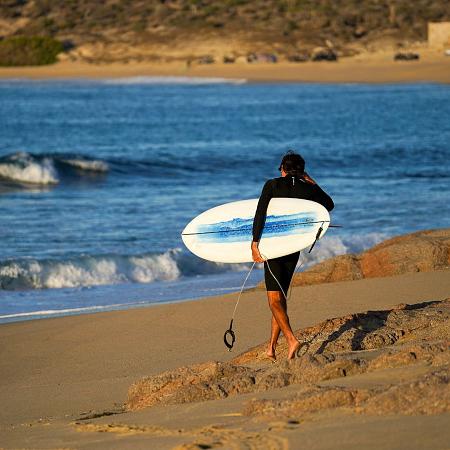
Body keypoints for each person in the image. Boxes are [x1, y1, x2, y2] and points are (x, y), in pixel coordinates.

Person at [251, 151, 334, 360]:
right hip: (293, 248)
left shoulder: (272, 185)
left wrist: (255, 243)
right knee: (280, 298)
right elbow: (329, 205)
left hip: (274, 247)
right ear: (302, 171)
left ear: (283, 168)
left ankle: (291, 340)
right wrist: (312, 182)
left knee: (273, 300)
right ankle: (271, 348)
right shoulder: (308, 189)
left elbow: (260, 214)